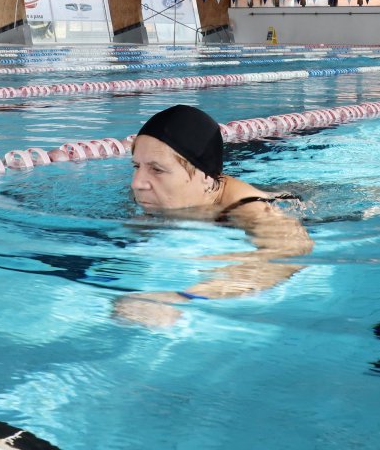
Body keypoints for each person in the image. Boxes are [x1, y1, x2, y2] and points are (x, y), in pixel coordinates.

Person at [115, 104, 313, 326]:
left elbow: (290, 253)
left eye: (157, 170)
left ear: (206, 177)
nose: (137, 183)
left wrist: (182, 297)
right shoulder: (152, 194)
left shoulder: (248, 208)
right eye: (136, 166)